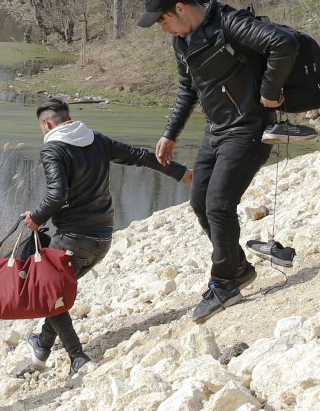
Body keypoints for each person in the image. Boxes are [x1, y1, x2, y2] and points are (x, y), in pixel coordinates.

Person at [139, 0, 301, 324]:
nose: (163, 29)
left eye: (163, 20)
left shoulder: (230, 23)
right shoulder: (182, 40)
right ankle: (238, 268)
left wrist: (269, 92)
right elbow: (187, 87)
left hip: (250, 128)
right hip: (217, 129)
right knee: (200, 201)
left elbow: (283, 43)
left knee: (219, 204)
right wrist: (170, 134)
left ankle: (224, 283)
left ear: (180, 8)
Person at [16, 98, 194, 375]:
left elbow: (57, 194)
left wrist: (36, 217)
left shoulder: (53, 149)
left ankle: (77, 357)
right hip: (103, 237)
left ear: (47, 124)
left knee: (49, 291)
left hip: (74, 239)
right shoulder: (96, 140)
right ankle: (41, 345)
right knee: (56, 291)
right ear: (68, 117)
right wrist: (180, 172)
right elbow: (139, 156)